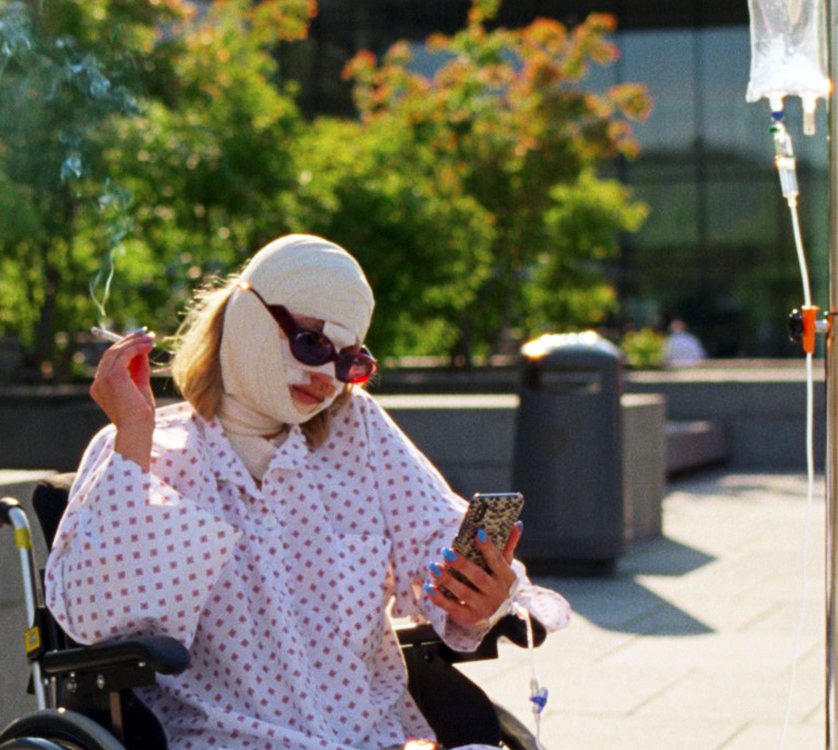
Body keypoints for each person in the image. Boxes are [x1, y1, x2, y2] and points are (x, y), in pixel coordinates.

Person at [44, 234, 571, 750]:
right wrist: (134, 432)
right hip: (226, 738)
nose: (327, 377)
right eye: (312, 342)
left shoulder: (356, 430)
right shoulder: (150, 450)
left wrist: (475, 595)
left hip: (373, 737)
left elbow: (435, 531)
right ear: (249, 317)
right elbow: (97, 617)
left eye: (349, 360)